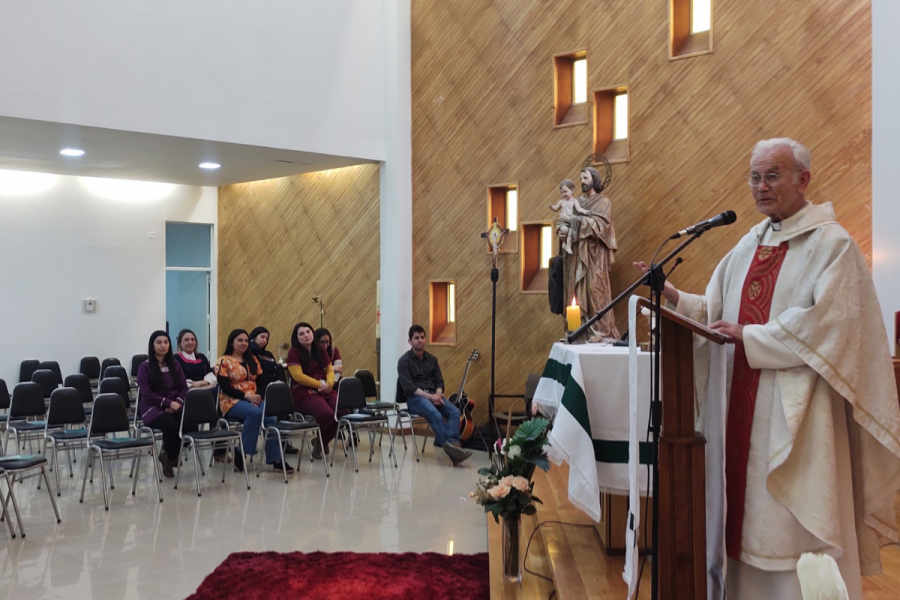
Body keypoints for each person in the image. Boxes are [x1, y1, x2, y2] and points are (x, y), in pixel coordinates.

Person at [634, 138, 900, 600]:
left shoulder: (832, 245)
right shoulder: (748, 244)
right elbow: (717, 311)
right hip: (740, 406)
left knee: (791, 526)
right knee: (741, 518)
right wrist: (676, 297)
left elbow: (829, 325)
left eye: (772, 175)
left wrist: (751, 337)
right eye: (755, 177)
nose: (761, 187)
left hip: (797, 415)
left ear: (804, 179)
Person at [215, 329, 292, 474]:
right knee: (255, 414)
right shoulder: (223, 361)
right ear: (232, 342)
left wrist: (257, 397)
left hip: (254, 398)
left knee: (270, 417)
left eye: (245, 340)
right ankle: (241, 451)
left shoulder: (253, 360)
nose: (243, 343)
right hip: (232, 400)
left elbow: (262, 382)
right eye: (240, 340)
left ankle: (276, 459)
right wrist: (246, 397)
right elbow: (225, 388)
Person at [397, 325, 471, 466]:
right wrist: (429, 397)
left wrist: (437, 394)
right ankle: (453, 450)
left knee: (454, 412)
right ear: (410, 341)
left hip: (433, 395)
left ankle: (453, 445)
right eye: (416, 338)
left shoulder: (432, 359)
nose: (420, 341)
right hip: (415, 398)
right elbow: (409, 387)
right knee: (435, 415)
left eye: (422, 337)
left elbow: (439, 381)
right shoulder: (404, 361)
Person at [562, 166, 620, 343]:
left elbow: (602, 226)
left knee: (595, 290)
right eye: (581, 179)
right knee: (577, 292)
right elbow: (563, 219)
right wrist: (563, 230)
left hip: (595, 256)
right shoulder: (576, 202)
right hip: (577, 255)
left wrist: (575, 222)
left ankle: (600, 331)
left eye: (585, 178)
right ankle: (580, 330)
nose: (582, 182)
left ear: (594, 180)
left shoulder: (604, 202)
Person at [137, 331, 195, 478]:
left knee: (190, 426)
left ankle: (168, 455)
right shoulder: (145, 367)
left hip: (176, 405)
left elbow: (183, 388)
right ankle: (171, 459)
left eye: (166, 342)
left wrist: (177, 403)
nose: (163, 345)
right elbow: (147, 394)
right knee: (172, 426)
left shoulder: (175, 364)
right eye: (159, 342)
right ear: (152, 345)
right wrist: (168, 403)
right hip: (153, 408)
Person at [286, 322, 340, 460]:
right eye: (301, 334)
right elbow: (298, 376)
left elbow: (329, 369)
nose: (306, 335)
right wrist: (320, 385)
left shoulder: (319, 350)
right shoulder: (293, 353)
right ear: (296, 338)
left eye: (308, 332)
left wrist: (329, 383)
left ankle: (320, 441)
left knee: (343, 411)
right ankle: (321, 442)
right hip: (304, 392)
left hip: (324, 389)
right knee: (326, 414)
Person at [250, 325, 298, 455]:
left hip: (273, 386)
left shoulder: (268, 354)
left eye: (267, 338)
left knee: (284, 403)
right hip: (260, 387)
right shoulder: (250, 352)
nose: (264, 340)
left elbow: (276, 370)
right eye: (262, 337)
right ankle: (276, 445)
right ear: (253, 337)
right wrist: (252, 344)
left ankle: (283, 442)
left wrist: (280, 381)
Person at [549, 179, 590, 255]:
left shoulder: (574, 201)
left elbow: (578, 208)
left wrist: (584, 211)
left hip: (569, 221)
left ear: (572, 190)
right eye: (562, 192)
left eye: (565, 191)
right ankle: (564, 243)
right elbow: (556, 208)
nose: (563, 194)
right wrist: (551, 206)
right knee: (564, 230)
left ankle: (568, 246)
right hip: (562, 222)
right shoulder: (561, 202)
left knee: (570, 232)